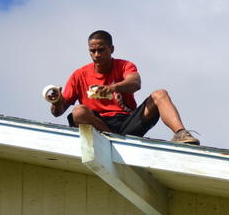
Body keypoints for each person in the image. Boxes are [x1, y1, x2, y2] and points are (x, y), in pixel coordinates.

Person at [49, 30, 200, 145]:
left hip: (127, 122)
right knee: (78, 111)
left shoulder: (124, 66)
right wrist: (56, 102)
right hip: (99, 125)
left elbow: (135, 83)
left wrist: (112, 88)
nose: (96, 55)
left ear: (111, 49)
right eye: (92, 51)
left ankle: (181, 134)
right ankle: (114, 139)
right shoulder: (79, 74)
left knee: (160, 94)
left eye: (101, 50)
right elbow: (58, 112)